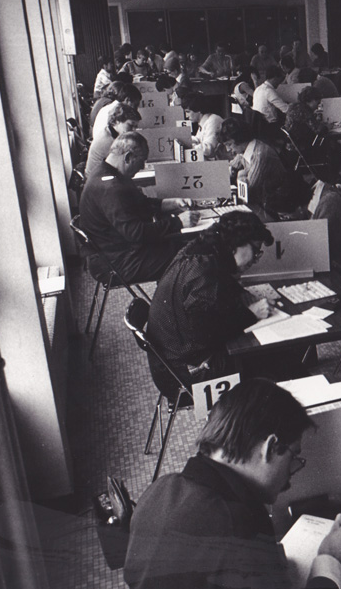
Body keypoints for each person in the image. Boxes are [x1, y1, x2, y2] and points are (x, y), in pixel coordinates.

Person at [124, 379, 341, 589]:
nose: (292, 473)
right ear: (270, 447)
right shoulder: (239, 526)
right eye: (293, 456)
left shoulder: (161, 488)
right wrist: (330, 559)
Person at [146, 211, 275, 396]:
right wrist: (251, 314)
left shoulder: (201, 251)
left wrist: (240, 293)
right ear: (236, 245)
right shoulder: (203, 272)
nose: (255, 259)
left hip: (172, 360)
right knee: (270, 362)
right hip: (187, 375)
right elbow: (207, 335)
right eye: (255, 251)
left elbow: (220, 283)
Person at [78, 132, 194, 282]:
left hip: (114, 253)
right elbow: (136, 233)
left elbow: (139, 204)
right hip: (117, 264)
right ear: (128, 158)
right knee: (190, 255)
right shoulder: (111, 187)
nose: (142, 166)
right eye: (142, 161)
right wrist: (178, 222)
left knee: (177, 246)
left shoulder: (106, 172)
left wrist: (170, 203)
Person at [224, 119, 308, 218]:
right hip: (262, 201)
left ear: (240, 140)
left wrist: (240, 175)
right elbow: (230, 168)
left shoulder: (260, 154)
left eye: (229, 144)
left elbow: (249, 192)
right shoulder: (244, 149)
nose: (228, 149)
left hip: (275, 208)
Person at [85, 103, 140, 178]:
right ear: (117, 121)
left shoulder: (109, 132)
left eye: (135, 127)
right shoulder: (107, 140)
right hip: (97, 180)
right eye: (130, 125)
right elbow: (122, 168)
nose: (134, 130)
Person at [185, 92, 226, 159]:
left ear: (198, 110)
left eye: (188, 112)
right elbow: (198, 139)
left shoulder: (213, 121)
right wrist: (186, 140)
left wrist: (189, 146)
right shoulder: (204, 121)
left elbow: (208, 150)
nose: (187, 116)